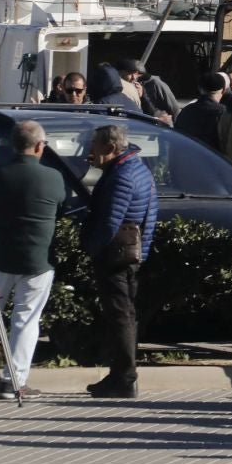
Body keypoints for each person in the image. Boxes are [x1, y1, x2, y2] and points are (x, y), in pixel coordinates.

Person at [81, 123, 158, 398]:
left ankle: (124, 378)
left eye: (95, 146)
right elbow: (151, 216)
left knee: (120, 316)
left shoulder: (122, 176)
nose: (91, 151)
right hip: (130, 255)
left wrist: (91, 247)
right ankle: (119, 375)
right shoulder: (137, 169)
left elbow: (109, 223)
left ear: (110, 148)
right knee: (123, 315)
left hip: (116, 257)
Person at [0, 120, 66, 398]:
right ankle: (14, 382)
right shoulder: (53, 178)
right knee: (25, 321)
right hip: (37, 261)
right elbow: (61, 205)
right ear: (39, 146)